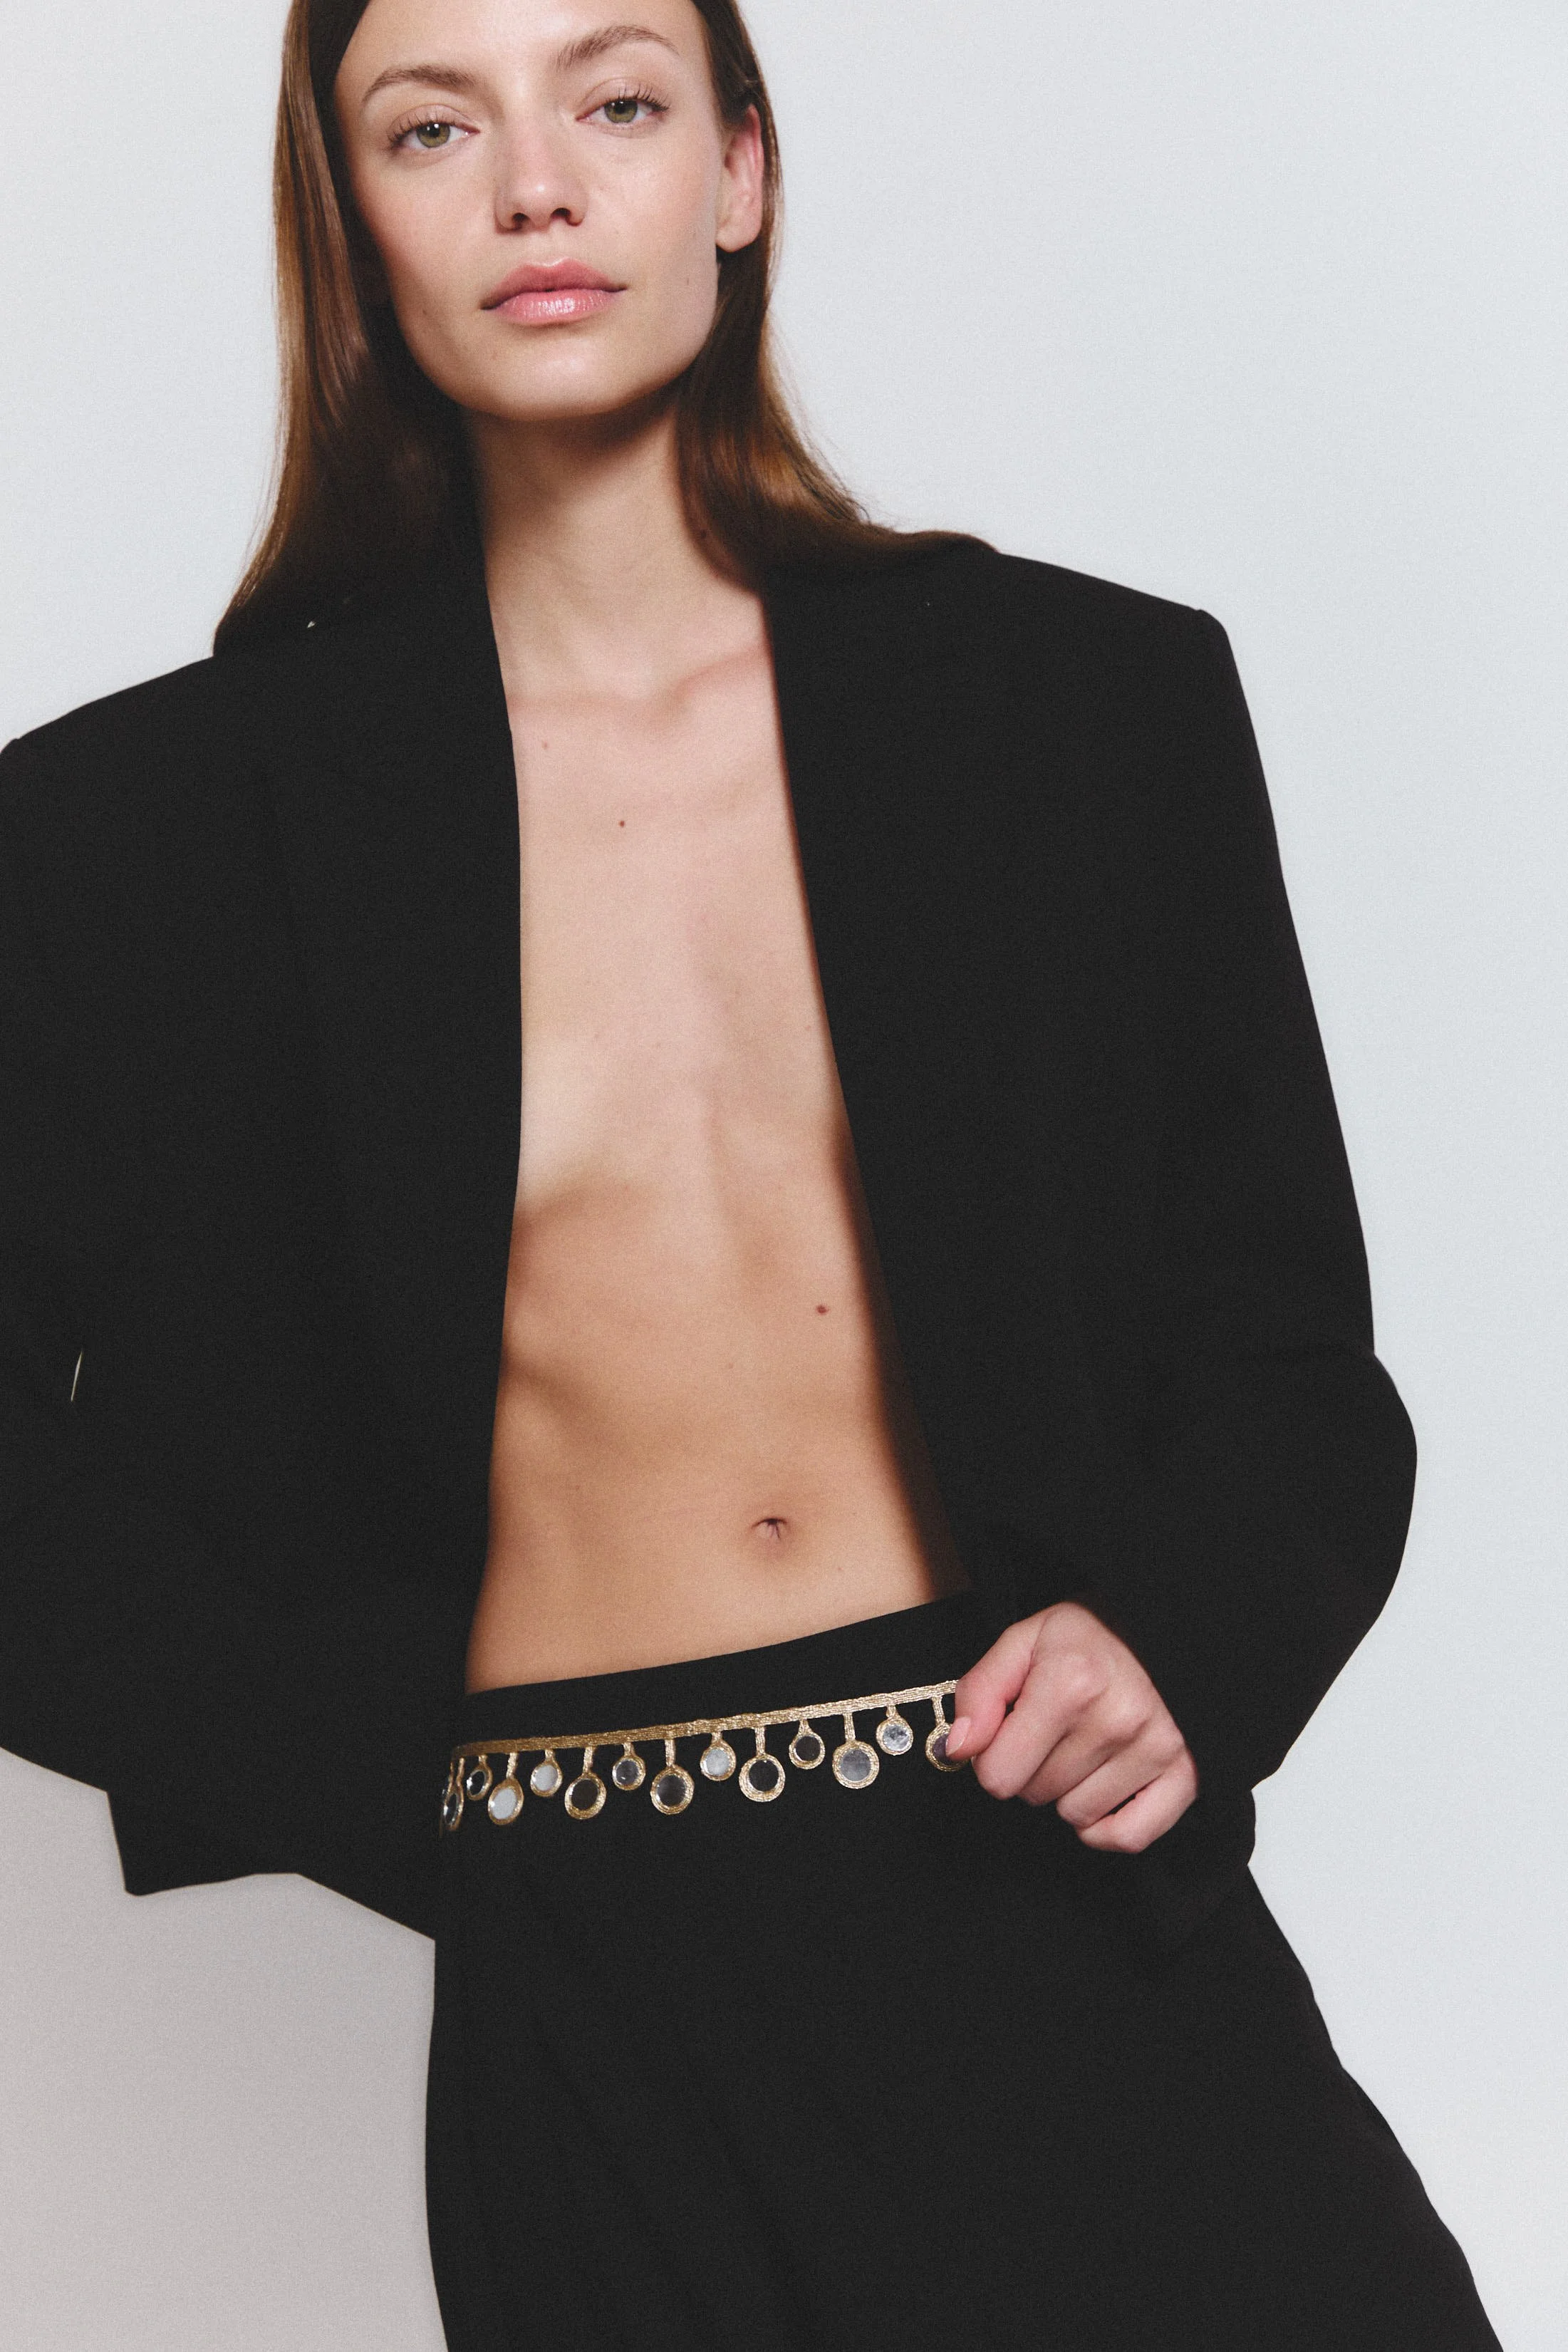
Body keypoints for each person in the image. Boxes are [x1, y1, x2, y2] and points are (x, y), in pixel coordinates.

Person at [0, 0, 1503, 2345]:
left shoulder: (1084, 711)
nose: (537, 183)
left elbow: (1296, 1372)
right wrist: (382, 1767)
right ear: (350, 221)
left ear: (741, 169)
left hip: (1064, 1901)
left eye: (614, 99)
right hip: (594, 2011)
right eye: (431, 126)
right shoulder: (145, 839)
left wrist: (1182, 1643)